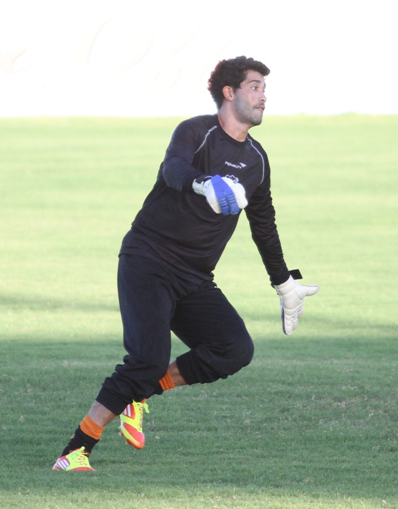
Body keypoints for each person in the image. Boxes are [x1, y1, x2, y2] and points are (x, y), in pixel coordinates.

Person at [53, 56, 319, 471]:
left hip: (194, 278)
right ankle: (76, 450)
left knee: (234, 349)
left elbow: (264, 226)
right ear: (229, 93)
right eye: (255, 87)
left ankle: (139, 394)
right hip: (148, 260)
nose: (264, 96)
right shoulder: (196, 132)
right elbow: (172, 168)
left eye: (265, 88)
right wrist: (204, 183)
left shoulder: (257, 160)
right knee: (146, 359)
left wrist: (285, 284)